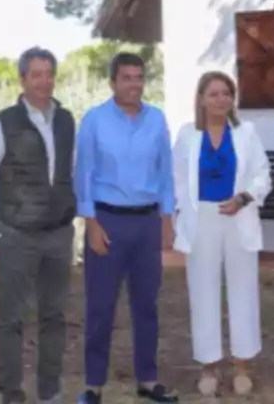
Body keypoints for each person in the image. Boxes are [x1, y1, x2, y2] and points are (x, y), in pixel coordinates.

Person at [75, 52, 178, 404]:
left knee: (146, 304)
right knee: (101, 306)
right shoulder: (94, 121)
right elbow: (84, 175)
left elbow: (165, 173)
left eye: (139, 77)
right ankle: (93, 385)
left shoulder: (156, 120)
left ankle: (148, 380)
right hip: (107, 222)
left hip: (147, 222)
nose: (133, 84)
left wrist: (167, 219)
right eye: (126, 78)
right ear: (113, 82)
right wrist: (90, 223)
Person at [0, 47, 77, 404]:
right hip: (16, 235)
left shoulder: (67, 120)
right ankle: (12, 394)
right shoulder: (2, 123)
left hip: (58, 234)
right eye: (36, 74)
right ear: (22, 79)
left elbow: (70, 171)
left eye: (49, 73)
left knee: (54, 316)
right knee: (12, 320)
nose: (44, 81)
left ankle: (49, 392)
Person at [172, 71, 271, 398]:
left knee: (243, 291)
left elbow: (262, 176)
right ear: (201, 99)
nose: (220, 99)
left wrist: (243, 198)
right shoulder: (187, 135)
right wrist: (180, 219)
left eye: (226, 93)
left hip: (238, 218)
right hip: (201, 220)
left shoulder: (246, 133)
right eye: (213, 94)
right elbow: (177, 182)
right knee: (203, 293)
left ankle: (242, 365)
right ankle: (209, 366)